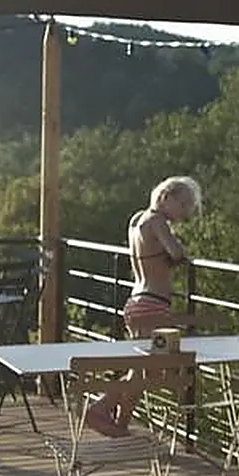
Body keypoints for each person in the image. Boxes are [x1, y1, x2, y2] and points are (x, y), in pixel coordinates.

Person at [84, 175, 202, 437]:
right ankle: (100, 407)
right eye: (183, 206)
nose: (184, 214)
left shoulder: (137, 219)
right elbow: (175, 253)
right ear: (165, 197)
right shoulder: (157, 221)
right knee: (150, 371)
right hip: (153, 304)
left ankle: (120, 425)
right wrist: (181, 250)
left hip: (137, 301)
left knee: (143, 369)